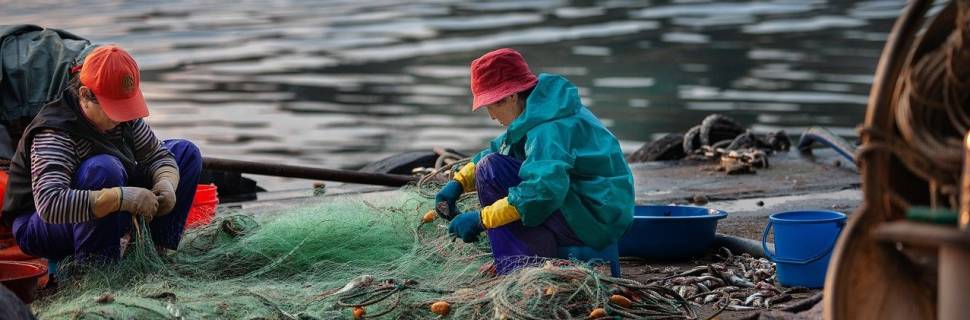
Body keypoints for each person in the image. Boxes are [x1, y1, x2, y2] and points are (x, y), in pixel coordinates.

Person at [436, 48, 634, 274]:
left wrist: (482, 219)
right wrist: (459, 183)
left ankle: (522, 269)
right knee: (491, 164)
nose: (491, 115)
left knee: (490, 171)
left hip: (594, 220)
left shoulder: (549, 128)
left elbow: (542, 192)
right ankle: (523, 257)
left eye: (492, 105)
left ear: (511, 96)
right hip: (594, 207)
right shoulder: (545, 109)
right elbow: (503, 148)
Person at [0, 45, 202, 263]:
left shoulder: (125, 118)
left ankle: (157, 253)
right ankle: (97, 268)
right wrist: (120, 198)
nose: (121, 118)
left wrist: (167, 184)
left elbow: (157, 156)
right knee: (104, 168)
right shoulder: (55, 133)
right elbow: (51, 204)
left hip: (104, 203)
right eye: (113, 109)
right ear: (85, 95)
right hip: (40, 224)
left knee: (186, 153)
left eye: (125, 106)